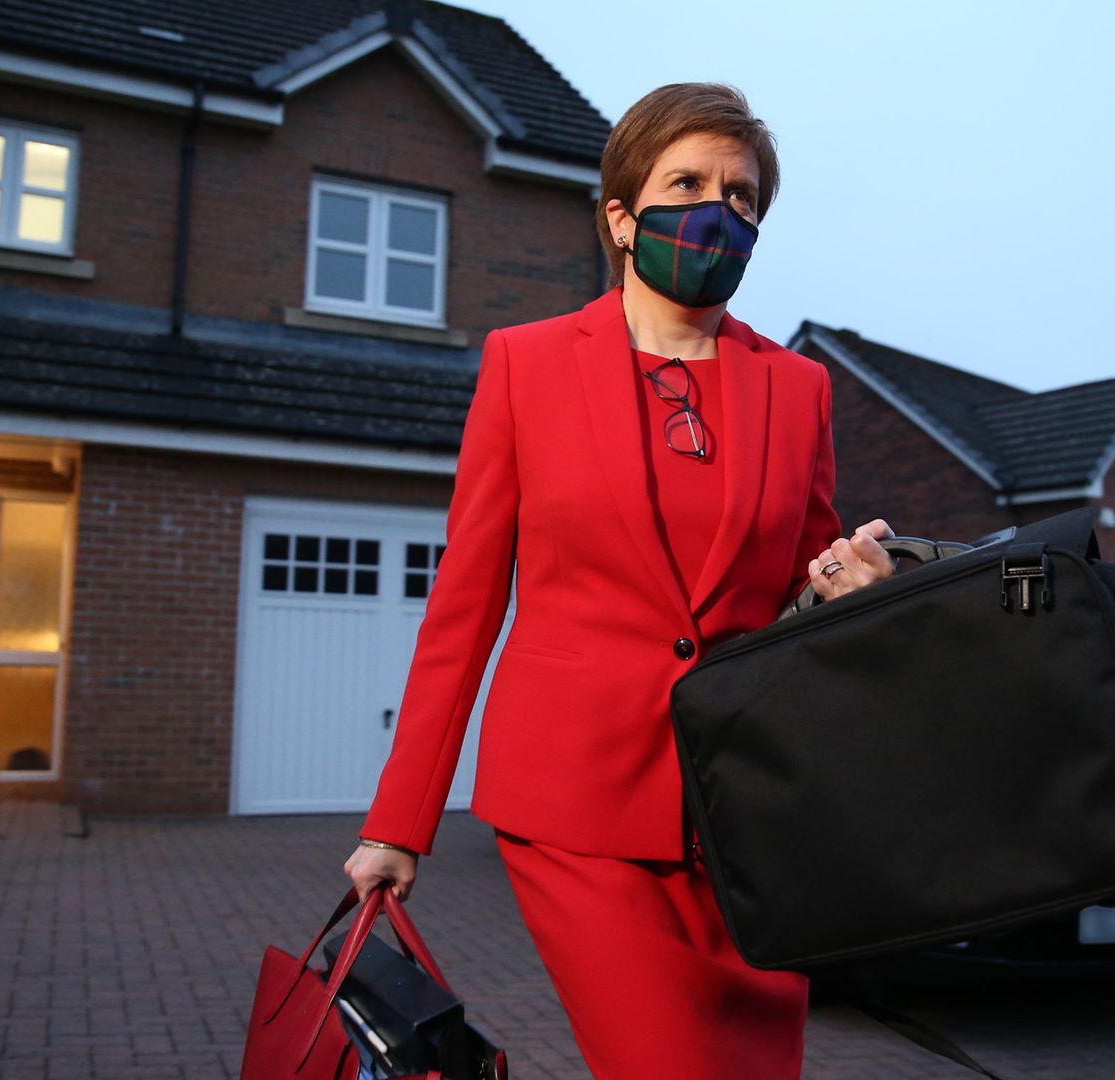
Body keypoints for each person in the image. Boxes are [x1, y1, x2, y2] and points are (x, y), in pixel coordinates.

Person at [342, 83, 898, 1077]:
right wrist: (398, 821)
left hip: (745, 811)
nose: (717, 209)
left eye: (741, 197)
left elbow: (794, 601)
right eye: (687, 182)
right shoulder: (526, 366)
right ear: (621, 213)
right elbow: (465, 608)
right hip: (577, 804)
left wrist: (849, 594)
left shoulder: (800, 387)